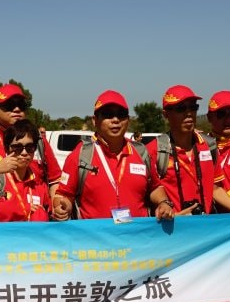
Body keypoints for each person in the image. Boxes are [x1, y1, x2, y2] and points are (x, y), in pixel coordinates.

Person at [51, 90, 175, 221]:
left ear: (128, 120)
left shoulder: (141, 153)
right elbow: (62, 195)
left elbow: (155, 187)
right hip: (96, 234)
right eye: (108, 114)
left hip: (137, 233)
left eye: (121, 115)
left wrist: (163, 202)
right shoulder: (81, 155)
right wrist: (62, 207)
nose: (115, 120)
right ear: (95, 120)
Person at [145, 85, 230, 215]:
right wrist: (170, 212)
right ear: (166, 114)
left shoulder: (209, 145)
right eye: (181, 108)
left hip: (205, 225)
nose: (189, 113)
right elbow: (149, 193)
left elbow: (215, 189)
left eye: (193, 107)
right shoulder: (153, 150)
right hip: (173, 226)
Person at [0, 83, 61, 201]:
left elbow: (55, 180)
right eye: (9, 105)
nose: (17, 109)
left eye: (21, 105)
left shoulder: (38, 141)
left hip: (36, 211)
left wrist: (56, 204)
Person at [0, 120, 51, 222]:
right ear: (6, 149)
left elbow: (52, 212)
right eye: (17, 147)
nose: (24, 153)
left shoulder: (38, 183)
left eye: (30, 147)